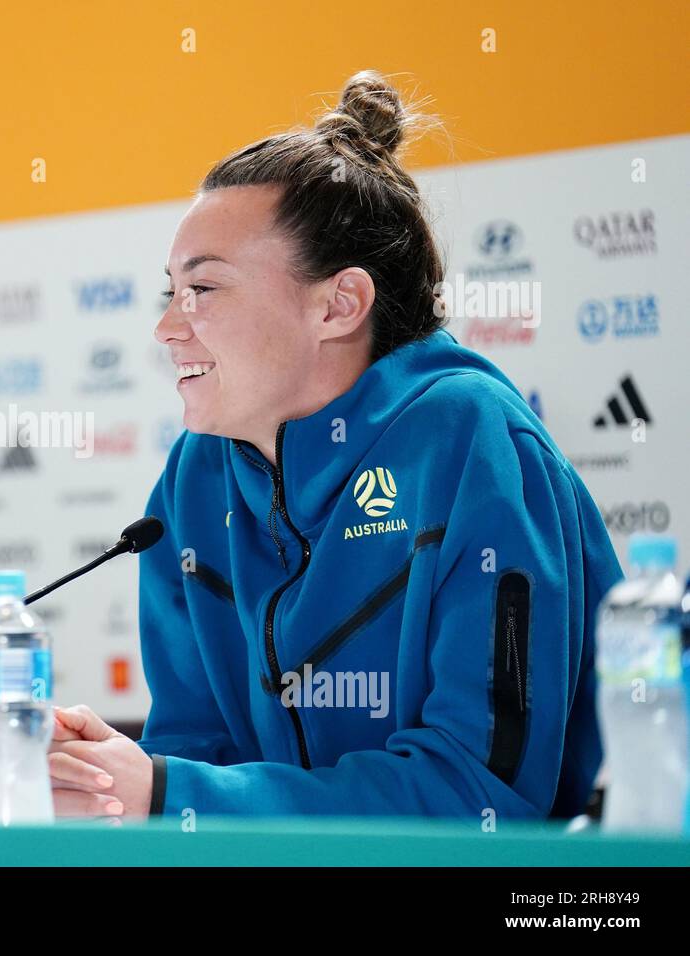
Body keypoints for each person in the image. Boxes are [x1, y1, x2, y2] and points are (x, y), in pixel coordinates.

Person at [47, 72, 621, 821]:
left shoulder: (472, 441)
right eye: (170, 294)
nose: (166, 329)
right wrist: (114, 785)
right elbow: (197, 757)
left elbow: (481, 799)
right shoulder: (197, 478)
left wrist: (169, 793)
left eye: (205, 290)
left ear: (339, 305)